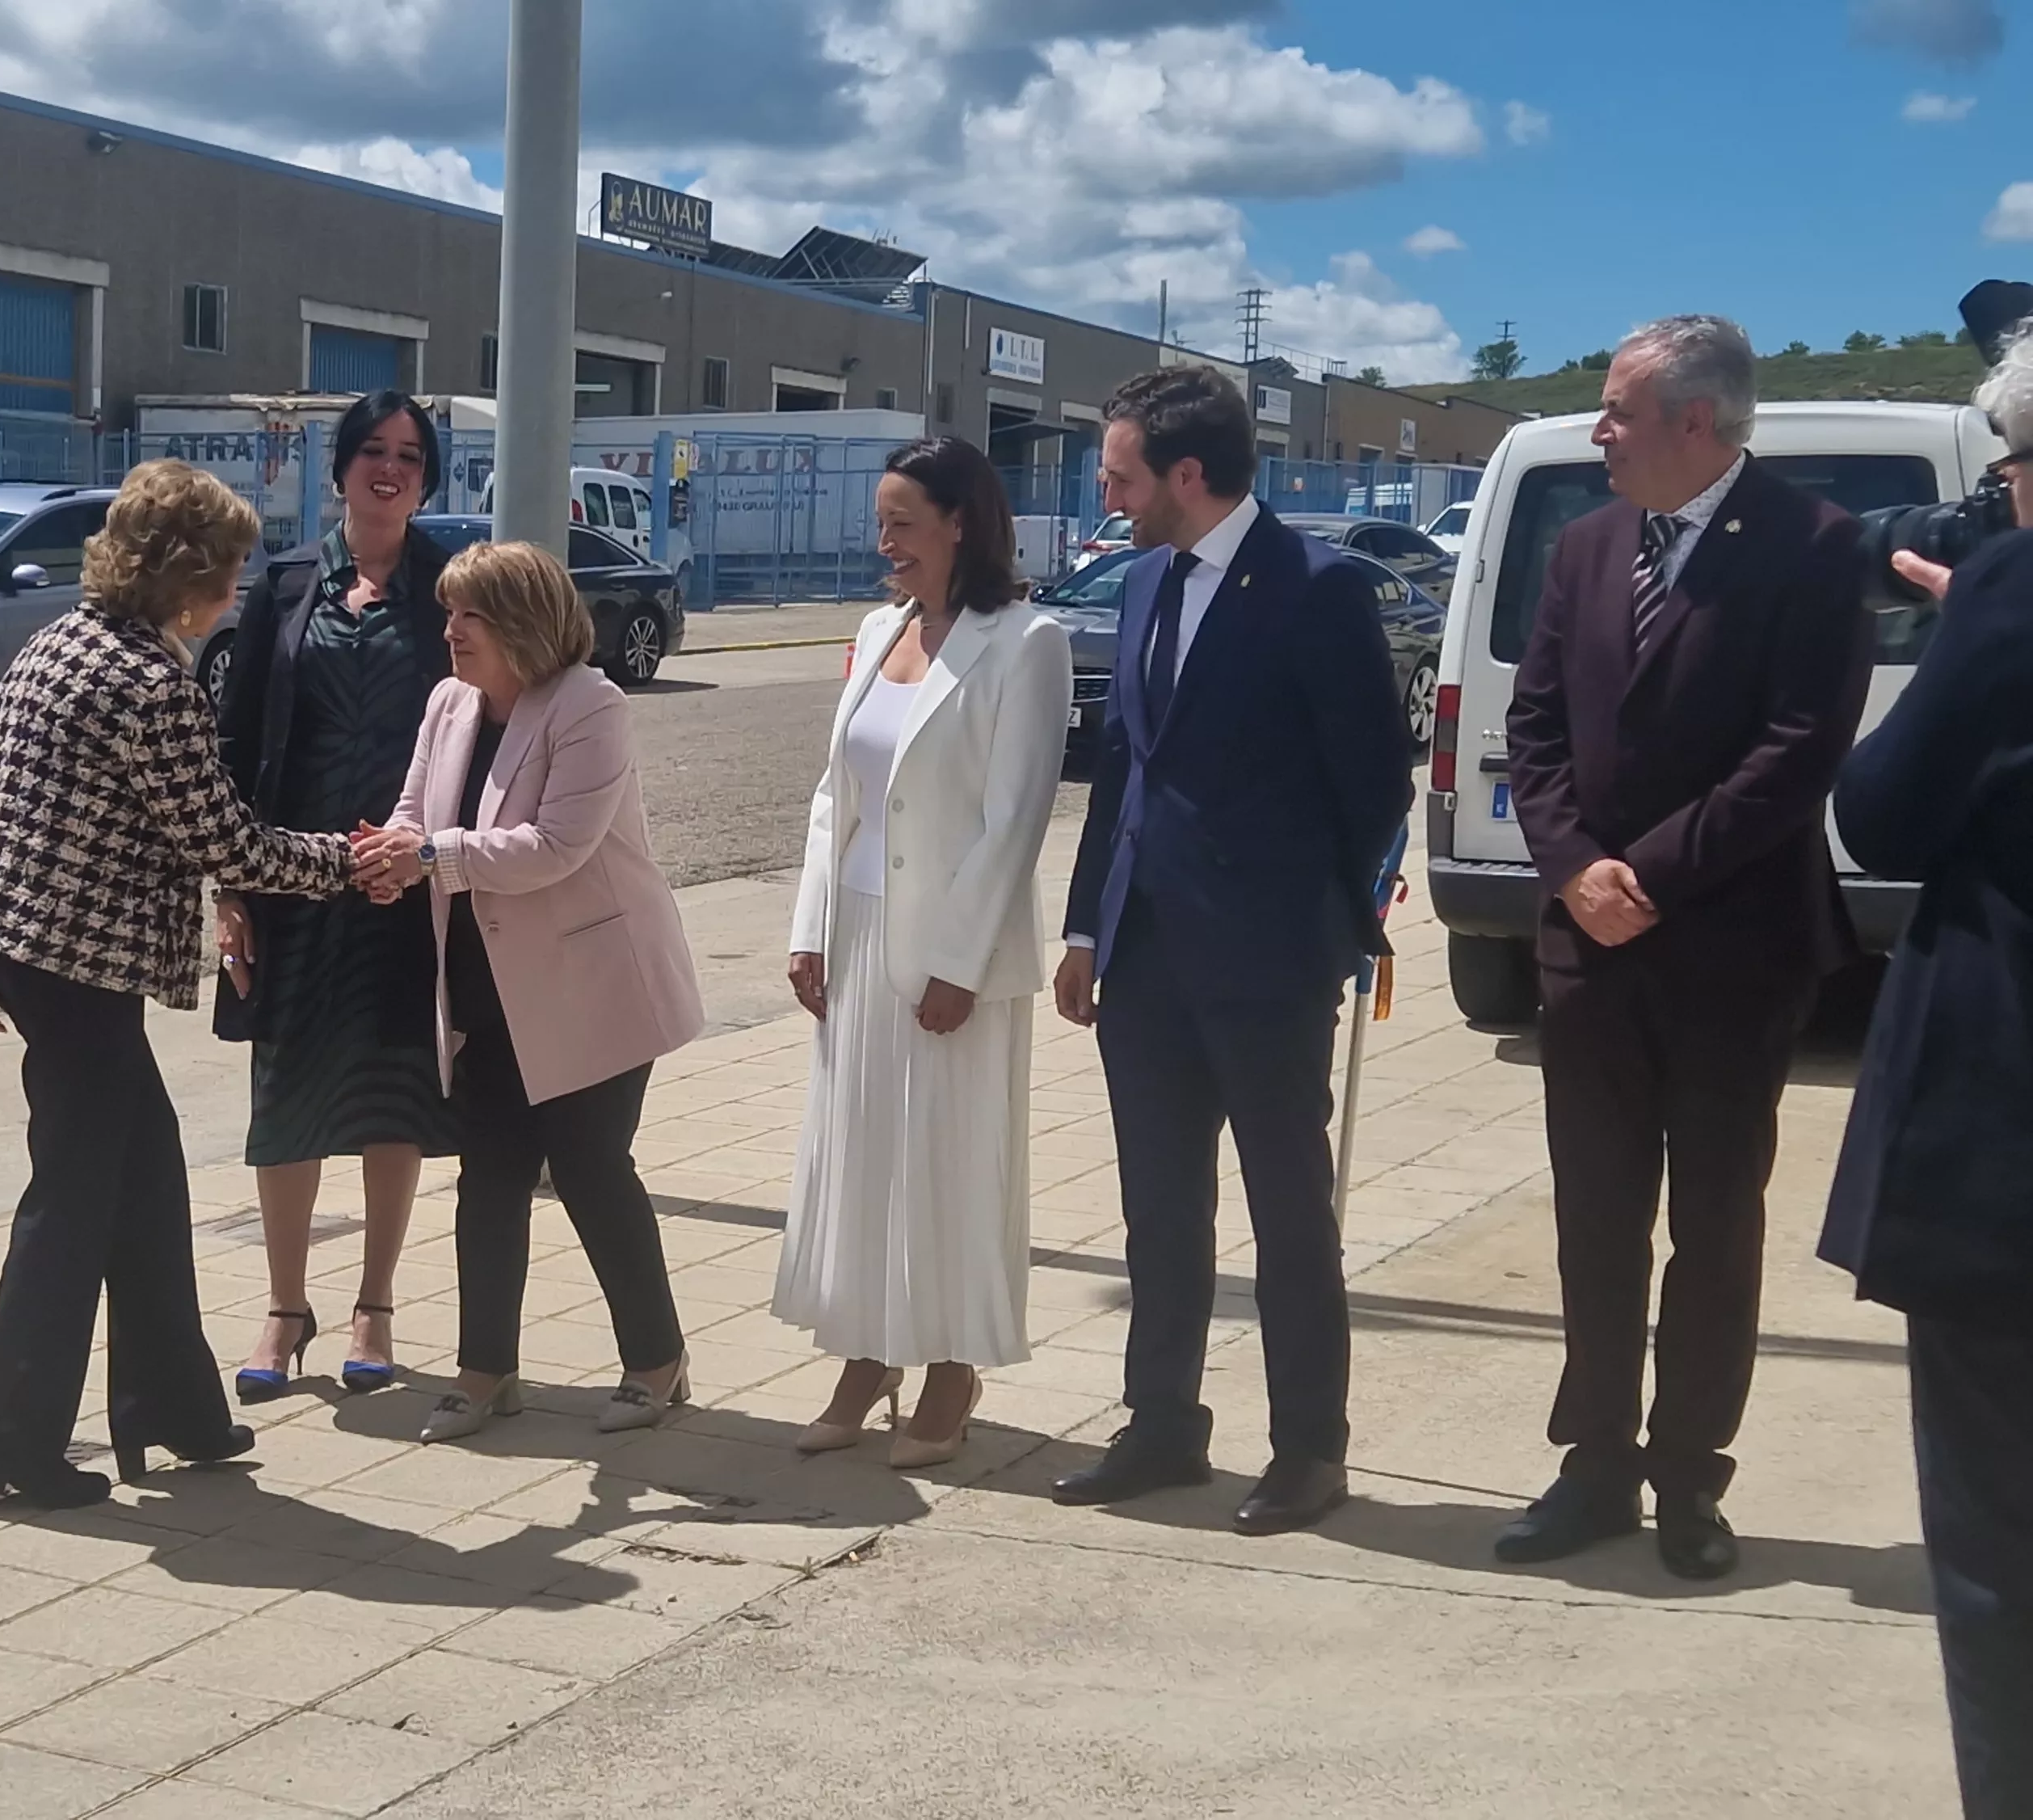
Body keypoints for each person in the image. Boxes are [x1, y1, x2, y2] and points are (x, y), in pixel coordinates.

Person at [1499, 315, 1871, 1581]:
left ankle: (1689, 1485)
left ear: (1695, 424)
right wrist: (1571, 868)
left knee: (1713, 1225)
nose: (1598, 431)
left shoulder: (1815, 548)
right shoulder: (1587, 546)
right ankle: (1593, 1467)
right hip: (1586, 949)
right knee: (1596, 1218)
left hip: (1731, 947)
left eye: (1617, 412)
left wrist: (1643, 874)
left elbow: (1799, 749)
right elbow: (1535, 725)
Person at [0, 460, 381, 1510]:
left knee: (144, 1184)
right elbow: (225, 842)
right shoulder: (150, 682)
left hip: (24, 946)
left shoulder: (55, 644)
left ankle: (169, 1412)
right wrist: (352, 866)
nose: (239, 585)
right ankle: (6, 1445)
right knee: (73, 1205)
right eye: (230, 568)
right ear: (186, 575)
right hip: (77, 966)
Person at [1050, 366, 1414, 1536]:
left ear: (1187, 475)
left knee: (1287, 1211)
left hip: (1268, 962)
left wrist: (1331, 925)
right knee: (1160, 1208)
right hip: (1147, 952)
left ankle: (1310, 1447)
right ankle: (1162, 1426)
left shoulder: (1316, 591)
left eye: (1121, 475)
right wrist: (1084, 925)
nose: (1109, 497)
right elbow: (1125, 768)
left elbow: (1371, 785)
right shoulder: (1150, 577)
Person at [1820, 332, 2033, 1818]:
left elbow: (1885, 819)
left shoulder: (2013, 595)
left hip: (2005, 1165)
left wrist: (1970, 635)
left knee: (1999, 1558)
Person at [355, 539, 704, 1443]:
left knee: (591, 1170)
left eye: (469, 614)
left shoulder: (591, 703)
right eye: (448, 611)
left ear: (522, 620)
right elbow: (414, 809)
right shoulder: (448, 701)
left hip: (595, 985)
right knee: (490, 1177)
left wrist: (430, 855)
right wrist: (390, 856)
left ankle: (656, 1362)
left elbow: (556, 846)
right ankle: (484, 1372)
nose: (451, 631)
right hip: (482, 983)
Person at [775, 437, 1072, 1469]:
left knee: (947, 1160)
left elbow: (1015, 818)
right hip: (856, 935)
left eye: (903, 521)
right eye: (881, 521)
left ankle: (949, 1365)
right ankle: (866, 1352)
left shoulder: (1025, 641)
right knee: (858, 1152)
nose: (884, 541)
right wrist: (808, 926)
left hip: (953, 953)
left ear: (960, 523)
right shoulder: (876, 627)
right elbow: (834, 799)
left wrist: (958, 960)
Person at [213, 390, 459, 1403]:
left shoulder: (451, 586)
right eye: (371, 451)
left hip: (407, 881)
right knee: (287, 1092)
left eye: (407, 454)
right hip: (291, 879)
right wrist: (230, 887)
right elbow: (230, 743)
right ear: (341, 468)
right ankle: (283, 1305)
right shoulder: (283, 586)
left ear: (427, 474)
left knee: (395, 1087)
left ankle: (375, 1302)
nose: (388, 469)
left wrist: (445, 854)